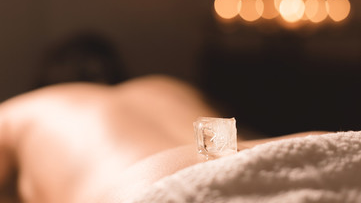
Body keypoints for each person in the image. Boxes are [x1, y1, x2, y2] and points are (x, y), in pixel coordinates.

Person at [0, 75, 326, 203]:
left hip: (152, 188)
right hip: (298, 148)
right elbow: (231, 140)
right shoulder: (166, 85)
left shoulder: (22, 109)